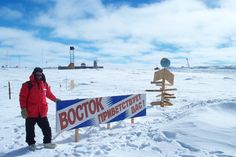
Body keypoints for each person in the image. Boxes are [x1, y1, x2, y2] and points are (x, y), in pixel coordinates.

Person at [19, 67, 61, 151]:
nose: (39, 76)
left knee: (46, 128)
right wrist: (23, 108)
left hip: (42, 111)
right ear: (34, 74)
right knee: (30, 129)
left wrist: (55, 99)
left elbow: (48, 94)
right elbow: (22, 97)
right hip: (30, 111)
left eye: (40, 74)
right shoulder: (27, 85)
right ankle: (31, 144)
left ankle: (47, 142)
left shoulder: (44, 84)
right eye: (37, 74)